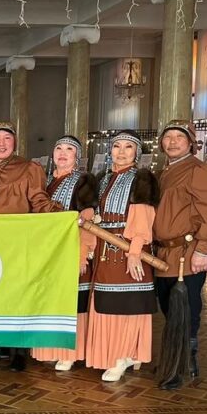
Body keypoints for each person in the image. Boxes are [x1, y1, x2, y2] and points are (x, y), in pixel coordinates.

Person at [0, 121, 62, 366]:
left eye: (7, 138)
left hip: (16, 241)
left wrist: (62, 214)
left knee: (16, 294)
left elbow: (38, 200)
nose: (2, 143)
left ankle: (17, 350)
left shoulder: (29, 168)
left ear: (15, 142)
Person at [153, 121, 207, 389]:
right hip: (164, 252)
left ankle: (184, 361)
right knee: (168, 307)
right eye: (168, 137)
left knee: (185, 308)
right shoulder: (164, 172)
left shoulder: (199, 170)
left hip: (188, 251)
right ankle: (176, 357)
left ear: (191, 143)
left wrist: (203, 249)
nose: (172, 142)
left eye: (179, 137)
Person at [85, 131, 160, 382]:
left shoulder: (142, 178)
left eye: (128, 147)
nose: (121, 151)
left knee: (128, 304)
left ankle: (125, 354)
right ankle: (112, 354)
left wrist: (135, 252)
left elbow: (143, 218)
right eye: (117, 146)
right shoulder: (101, 178)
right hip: (103, 249)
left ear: (137, 152)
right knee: (106, 302)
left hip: (129, 249)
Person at [31, 136, 98, 372]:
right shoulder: (46, 182)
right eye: (58, 148)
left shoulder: (83, 181)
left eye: (69, 149)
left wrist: (82, 254)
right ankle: (51, 348)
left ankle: (71, 352)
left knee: (73, 303)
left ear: (76, 156)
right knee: (51, 301)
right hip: (48, 253)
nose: (62, 153)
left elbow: (87, 220)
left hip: (71, 250)